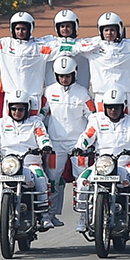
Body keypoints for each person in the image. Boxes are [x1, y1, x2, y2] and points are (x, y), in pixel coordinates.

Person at [73, 88, 130, 233]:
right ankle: (85, 216)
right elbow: (87, 136)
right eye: (109, 107)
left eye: (116, 107)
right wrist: (80, 147)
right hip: (102, 165)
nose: (113, 110)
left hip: (125, 165)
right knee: (82, 180)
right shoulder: (97, 120)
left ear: (123, 107)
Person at [0, 89, 53, 234]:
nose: (17, 112)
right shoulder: (1, 122)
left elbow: (43, 137)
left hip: (30, 163)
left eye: (21, 109)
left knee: (41, 177)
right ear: (9, 109)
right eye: (14, 108)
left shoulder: (35, 123)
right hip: (6, 165)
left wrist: (45, 146)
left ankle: (44, 215)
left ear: (27, 108)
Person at [41, 55, 95, 226]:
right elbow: (41, 115)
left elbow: (93, 118)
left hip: (77, 145)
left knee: (83, 180)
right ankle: (49, 214)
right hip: (56, 144)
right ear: (56, 75)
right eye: (61, 76)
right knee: (53, 179)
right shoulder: (49, 92)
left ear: (74, 74)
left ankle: (85, 216)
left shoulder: (83, 93)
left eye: (68, 75)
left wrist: (85, 141)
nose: (64, 79)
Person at [57, 11, 130, 99]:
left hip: (123, 94)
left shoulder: (129, 47)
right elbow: (73, 46)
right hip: (101, 95)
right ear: (101, 31)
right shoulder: (93, 47)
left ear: (119, 30)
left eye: (112, 30)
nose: (109, 33)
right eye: (106, 30)